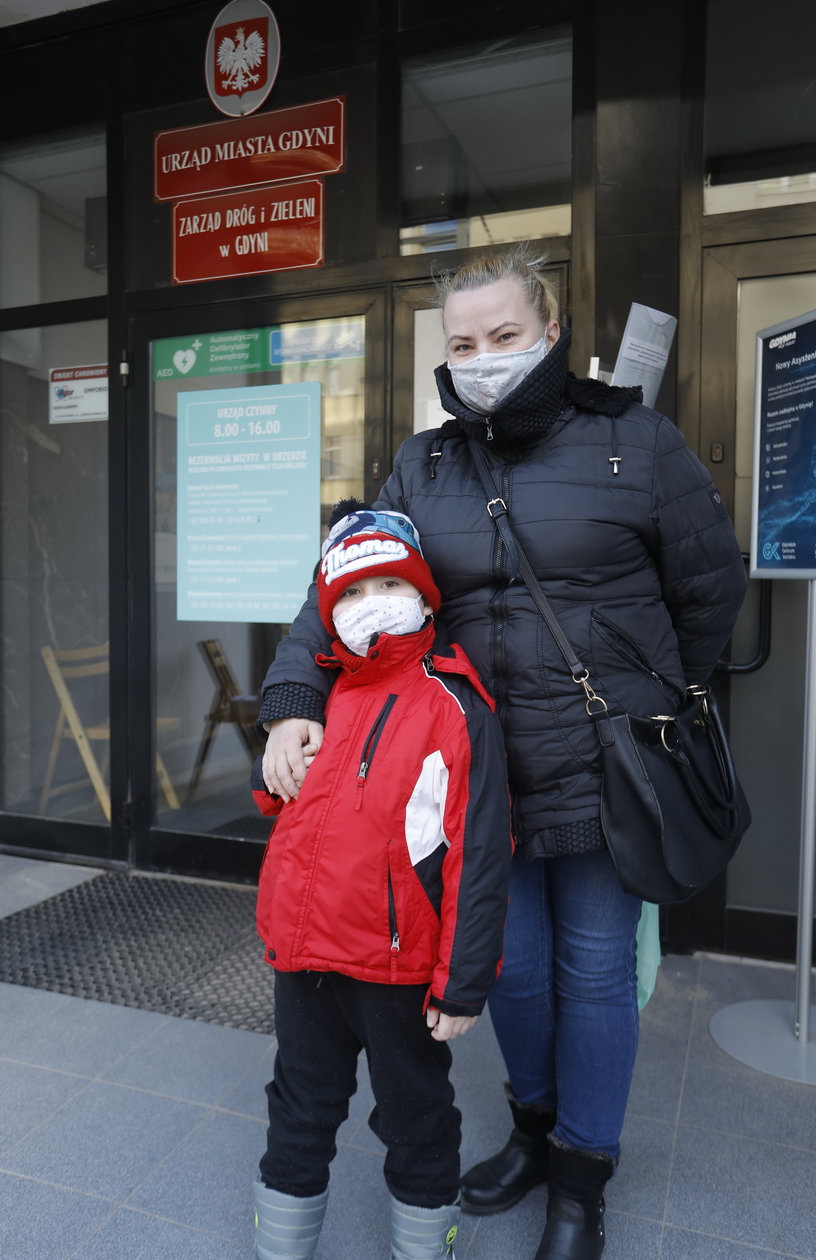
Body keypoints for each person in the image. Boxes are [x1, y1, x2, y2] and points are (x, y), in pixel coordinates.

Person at [258, 246, 747, 1259]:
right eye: (464, 344)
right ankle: (531, 1127)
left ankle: (582, 1173)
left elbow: (710, 589)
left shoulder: (635, 444)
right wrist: (297, 693)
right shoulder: (425, 462)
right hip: (473, 779)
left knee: (598, 972)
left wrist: (645, 690)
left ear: (552, 333)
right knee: (511, 970)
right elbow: (343, 585)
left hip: (605, 772)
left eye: (506, 336)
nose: (483, 359)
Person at [251, 500, 512, 1260]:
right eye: (352, 595)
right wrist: (276, 762)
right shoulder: (321, 695)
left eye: (388, 585)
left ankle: (426, 1246)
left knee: (416, 1116)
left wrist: (463, 982)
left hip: (395, 967)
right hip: (302, 959)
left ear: (426, 597)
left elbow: (479, 852)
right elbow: (289, 801)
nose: (372, 607)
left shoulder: (453, 705)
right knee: (298, 1107)